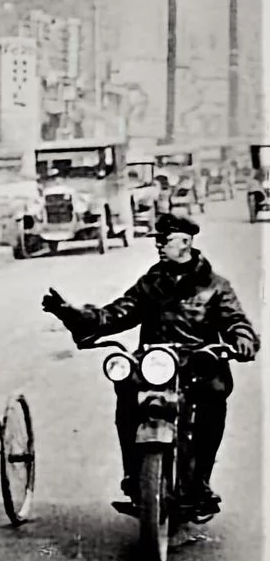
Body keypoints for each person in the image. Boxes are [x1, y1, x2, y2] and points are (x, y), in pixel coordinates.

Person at [42, 212, 259, 516]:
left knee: (213, 399)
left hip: (199, 365)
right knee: (127, 390)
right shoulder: (151, 283)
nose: (158, 245)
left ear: (186, 242)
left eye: (165, 239)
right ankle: (135, 475)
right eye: (158, 240)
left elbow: (236, 321)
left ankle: (199, 481)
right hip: (156, 364)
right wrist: (74, 314)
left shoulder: (216, 286)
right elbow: (119, 312)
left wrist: (242, 339)